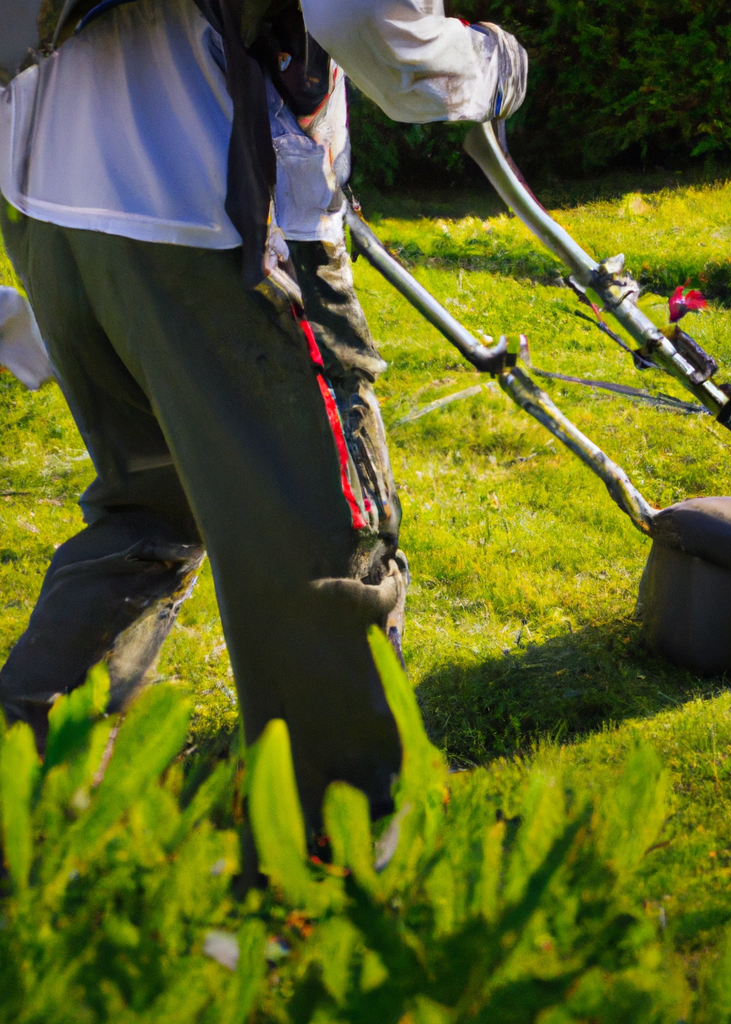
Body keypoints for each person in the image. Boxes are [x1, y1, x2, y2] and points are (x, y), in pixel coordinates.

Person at [0, 0, 527, 824]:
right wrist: (486, 68)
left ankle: (21, 795)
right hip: (214, 220)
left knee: (154, 506)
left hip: (52, 211)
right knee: (319, 545)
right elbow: (365, 20)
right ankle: (329, 872)